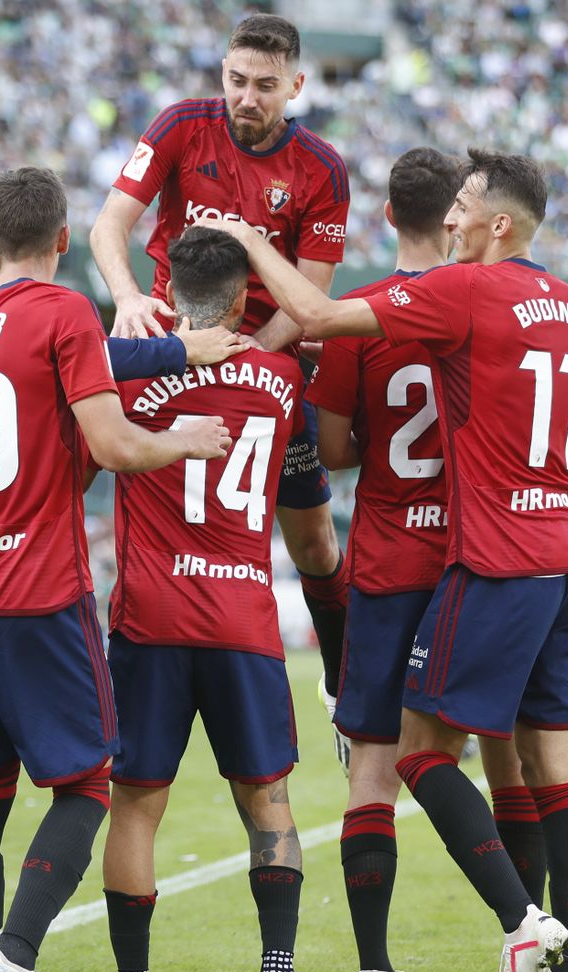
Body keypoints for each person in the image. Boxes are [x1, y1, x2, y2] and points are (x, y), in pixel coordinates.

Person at [204, 148, 568, 972]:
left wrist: (248, 239)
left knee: (400, 756)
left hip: (457, 559)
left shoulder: (464, 291)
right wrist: (539, 460)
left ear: (498, 223)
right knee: (548, 769)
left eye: (469, 205)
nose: (456, 217)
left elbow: (321, 334)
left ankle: (468, 942)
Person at [0, 166, 229, 972]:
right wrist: (186, 439)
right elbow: (117, 444)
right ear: (63, 242)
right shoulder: (64, 316)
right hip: (37, 593)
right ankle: (15, 956)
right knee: (88, 783)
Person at [90, 13, 354, 734]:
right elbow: (108, 226)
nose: (247, 98)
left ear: (296, 85)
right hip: (171, 350)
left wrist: (250, 357)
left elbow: (312, 297)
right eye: (237, 81)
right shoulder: (180, 125)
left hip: (266, 358)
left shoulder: (322, 169)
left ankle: (341, 684)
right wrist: (127, 299)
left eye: (266, 87)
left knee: (314, 544)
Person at [100, 226, 307, 972]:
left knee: (137, 807)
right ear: (245, 295)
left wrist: (160, 346)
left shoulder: (126, 376)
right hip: (244, 619)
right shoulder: (282, 379)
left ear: (166, 291)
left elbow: (79, 367)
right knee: (268, 800)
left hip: (151, 618)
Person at [308, 147, 465, 972]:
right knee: (516, 759)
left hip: (385, 558)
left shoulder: (357, 316)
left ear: (385, 218)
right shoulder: (482, 304)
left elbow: (332, 452)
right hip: (473, 563)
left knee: (372, 764)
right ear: (456, 219)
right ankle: (542, 950)